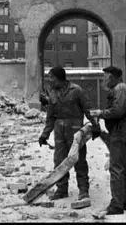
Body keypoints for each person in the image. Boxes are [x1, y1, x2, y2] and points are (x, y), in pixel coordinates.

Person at [38, 66, 99, 200]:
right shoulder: (52, 93)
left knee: (79, 160)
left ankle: (83, 189)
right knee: (59, 161)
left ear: (59, 78)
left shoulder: (76, 90)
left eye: (52, 78)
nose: (50, 80)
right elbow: (50, 117)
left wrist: (96, 125)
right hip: (59, 131)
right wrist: (44, 134)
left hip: (75, 130)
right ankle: (61, 189)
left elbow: (88, 109)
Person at [90, 66, 126, 215]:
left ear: (113, 77)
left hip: (121, 131)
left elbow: (117, 111)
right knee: (125, 167)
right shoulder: (120, 89)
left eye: (106, 76)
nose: (104, 79)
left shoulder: (120, 89)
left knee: (116, 168)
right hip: (123, 131)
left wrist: (100, 113)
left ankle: (116, 205)